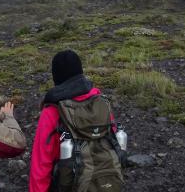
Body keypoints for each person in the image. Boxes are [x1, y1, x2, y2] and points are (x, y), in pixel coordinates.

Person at [29, 50, 124, 192]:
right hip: (106, 181)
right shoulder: (100, 101)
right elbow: (114, 141)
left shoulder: (52, 111)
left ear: (57, 78)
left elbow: (41, 164)